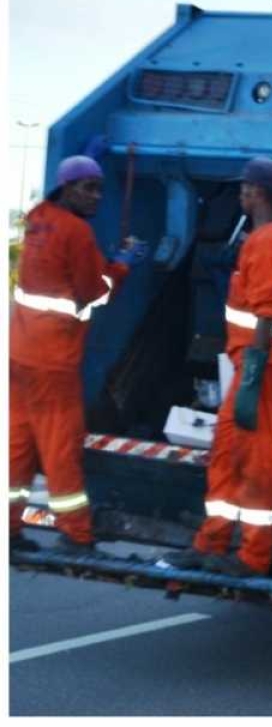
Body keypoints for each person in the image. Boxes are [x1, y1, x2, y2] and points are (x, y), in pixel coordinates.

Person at [162, 143, 272, 576]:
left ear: (255, 193)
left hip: (260, 366)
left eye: (245, 188)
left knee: (258, 459)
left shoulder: (267, 244)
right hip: (252, 364)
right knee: (226, 453)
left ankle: (254, 555)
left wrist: (254, 373)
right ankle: (211, 543)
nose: (241, 195)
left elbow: (266, 312)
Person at [10, 156, 146, 555]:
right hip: (54, 360)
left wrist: (82, 157)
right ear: (68, 188)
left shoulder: (38, 216)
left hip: (19, 353)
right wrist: (121, 265)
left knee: (17, 444)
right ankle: (76, 535)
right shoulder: (77, 233)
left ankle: (8, 529)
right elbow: (95, 292)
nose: (97, 197)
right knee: (60, 447)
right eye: (88, 187)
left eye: (100, 188)